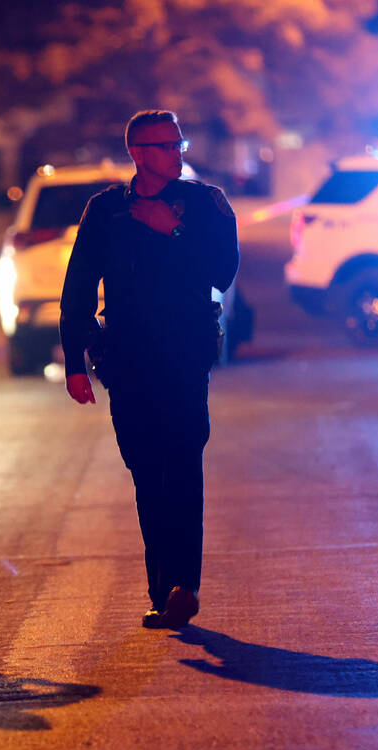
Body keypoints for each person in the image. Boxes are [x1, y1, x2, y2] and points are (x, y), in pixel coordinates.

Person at [59, 110, 239, 630]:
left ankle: (185, 586)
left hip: (184, 354)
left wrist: (177, 231)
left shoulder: (205, 204)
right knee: (145, 470)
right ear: (137, 152)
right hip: (129, 357)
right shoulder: (107, 211)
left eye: (179, 144)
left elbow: (223, 274)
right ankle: (163, 590)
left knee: (183, 462)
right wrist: (75, 361)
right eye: (165, 146)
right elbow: (77, 289)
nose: (177, 153)